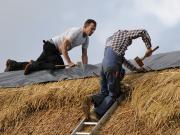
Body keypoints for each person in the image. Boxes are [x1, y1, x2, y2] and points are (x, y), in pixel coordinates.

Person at [82, 29, 154, 121]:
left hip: (103, 67)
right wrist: (149, 48)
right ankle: (96, 113)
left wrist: (136, 69)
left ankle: (91, 99)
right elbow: (142, 32)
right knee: (113, 94)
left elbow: (122, 59)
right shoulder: (125, 34)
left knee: (104, 92)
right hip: (112, 67)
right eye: (128, 44)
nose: (127, 47)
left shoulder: (110, 41)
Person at [4, 19, 97, 75]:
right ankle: (32, 65)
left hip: (53, 49)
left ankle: (12, 65)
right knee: (59, 67)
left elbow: (84, 55)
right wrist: (69, 62)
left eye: (94, 29)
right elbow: (63, 46)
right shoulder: (76, 31)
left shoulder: (86, 40)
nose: (93, 31)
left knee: (37, 64)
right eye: (91, 28)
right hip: (51, 47)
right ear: (85, 26)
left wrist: (86, 68)